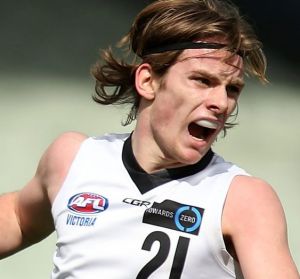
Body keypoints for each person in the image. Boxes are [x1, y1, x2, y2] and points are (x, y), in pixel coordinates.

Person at [0, 0, 299, 278]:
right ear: (147, 81)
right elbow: (17, 217)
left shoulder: (243, 199)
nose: (222, 102)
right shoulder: (73, 159)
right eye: (203, 80)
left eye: (232, 89)